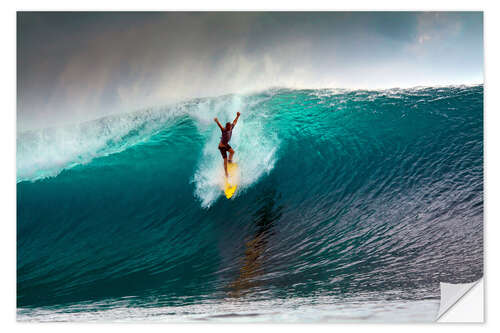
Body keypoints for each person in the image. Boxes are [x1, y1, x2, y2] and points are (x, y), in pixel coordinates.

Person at [214, 112, 241, 177]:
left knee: (232, 152)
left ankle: (230, 162)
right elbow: (220, 126)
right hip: (221, 147)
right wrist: (217, 121)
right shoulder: (224, 130)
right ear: (226, 127)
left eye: (229, 127)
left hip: (226, 145)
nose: (229, 128)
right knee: (225, 160)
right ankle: (226, 174)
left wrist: (237, 116)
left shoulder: (231, 127)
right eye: (228, 127)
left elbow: (234, 122)